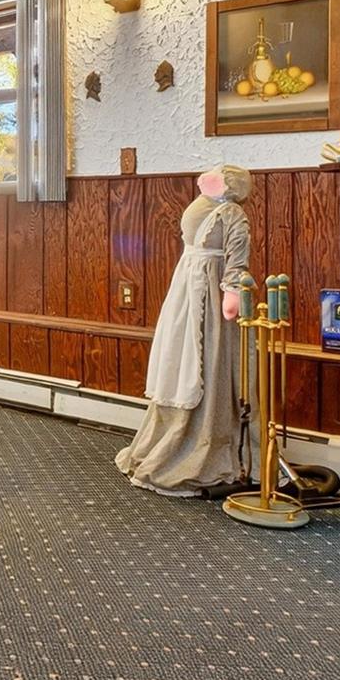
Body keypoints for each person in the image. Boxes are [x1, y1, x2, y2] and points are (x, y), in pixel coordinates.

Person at [115, 163, 253, 496]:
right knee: (201, 358)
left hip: (197, 290)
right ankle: (193, 444)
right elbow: (233, 259)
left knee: (196, 358)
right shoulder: (221, 211)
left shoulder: (214, 211)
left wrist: (229, 292)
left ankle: (189, 440)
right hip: (201, 290)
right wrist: (231, 292)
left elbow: (229, 256)